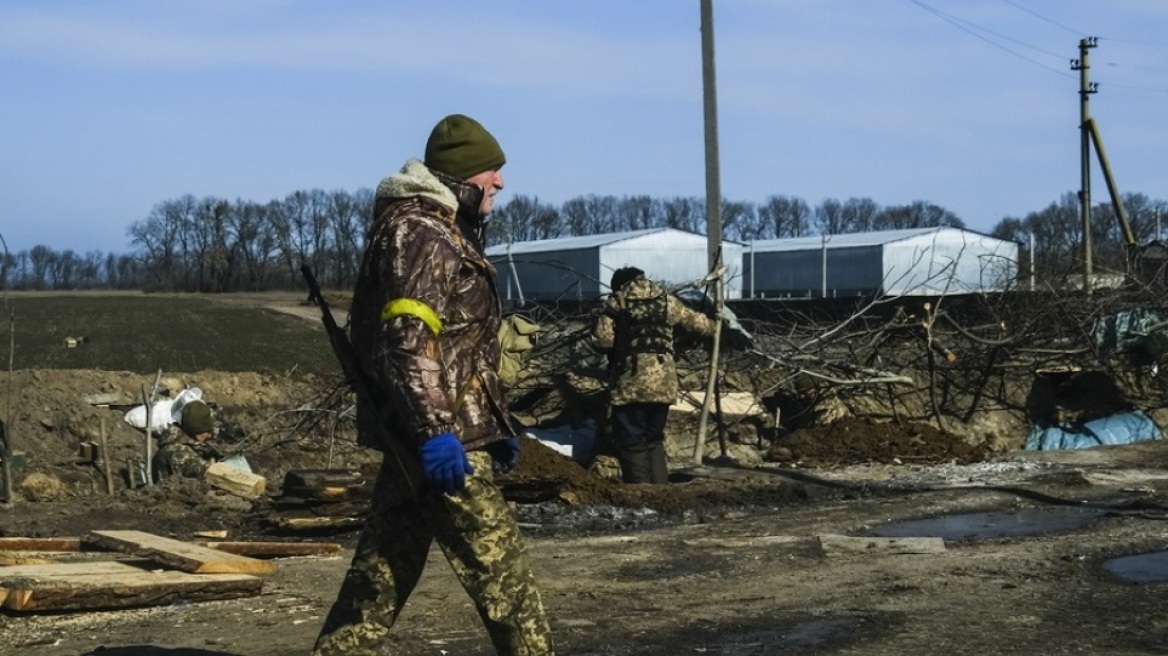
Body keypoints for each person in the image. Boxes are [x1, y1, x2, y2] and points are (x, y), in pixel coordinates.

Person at [313, 114, 555, 656]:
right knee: (507, 584)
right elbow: (409, 339)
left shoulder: (437, 228)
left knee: (381, 575)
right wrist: (438, 432)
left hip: (433, 432)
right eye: (491, 172)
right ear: (463, 177)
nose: (500, 182)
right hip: (444, 444)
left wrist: (494, 422)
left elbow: (460, 347)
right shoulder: (422, 234)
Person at [592, 267, 716, 484]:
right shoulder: (668, 301)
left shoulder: (615, 304)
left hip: (630, 383)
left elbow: (603, 341)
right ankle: (660, 489)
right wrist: (715, 320)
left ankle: (641, 490)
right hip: (664, 384)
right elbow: (702, 326)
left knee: (633, 439)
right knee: (654, 438)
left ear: (619, 285)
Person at [152, 400, 217, 481]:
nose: (210, 436)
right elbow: (212, 476)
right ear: (195, 431)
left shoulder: (188, 443)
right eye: (207, 431)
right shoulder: (177, 452)